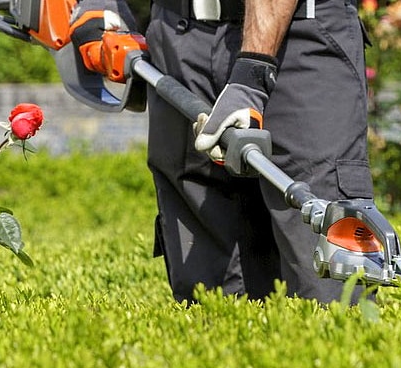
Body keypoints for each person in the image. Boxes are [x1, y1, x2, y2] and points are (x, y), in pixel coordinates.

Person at [70, 0, 373, 304]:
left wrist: (253, 73)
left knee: (328, 284)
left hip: (299, 36)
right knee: (208, 295)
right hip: (179, 36)